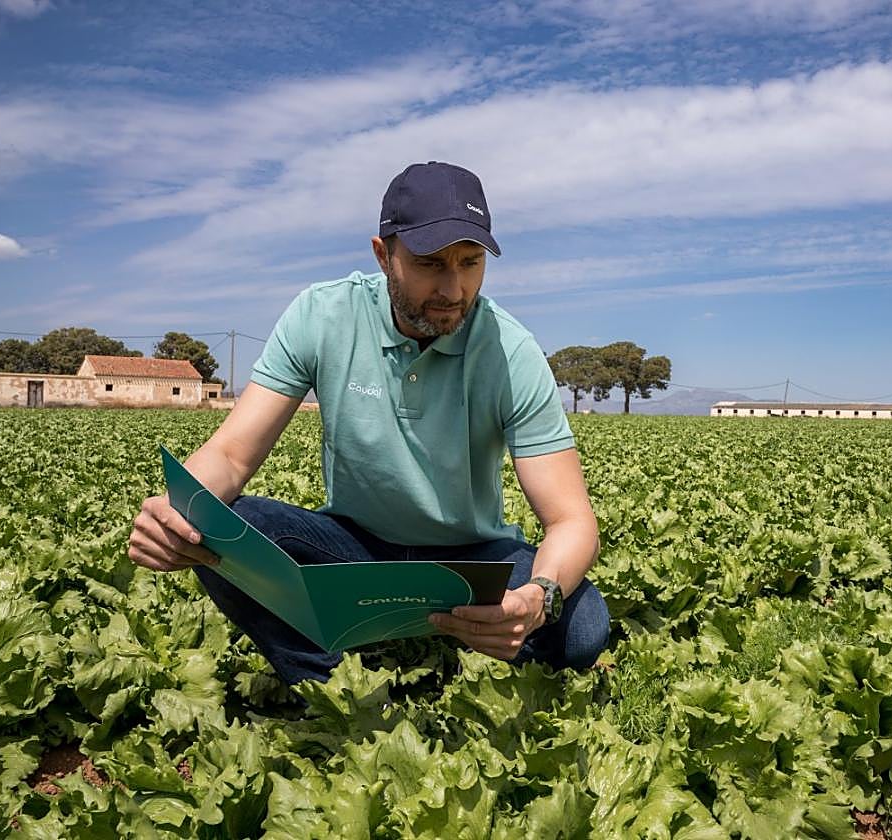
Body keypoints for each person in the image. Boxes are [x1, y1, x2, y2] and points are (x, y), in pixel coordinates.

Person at [127, 162, 610, 685]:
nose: (454, 288)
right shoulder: (322, 315)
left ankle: (465, 630)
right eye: (430, 263)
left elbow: (571, 521)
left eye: (470, 263)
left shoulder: (511, 351)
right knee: (215, 527)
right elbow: (231, 455)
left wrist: (538, 597)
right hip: (354, 549)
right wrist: (177, 513)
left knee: (581, 627)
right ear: (384, 256)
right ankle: (327, 686)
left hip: (470, 562)